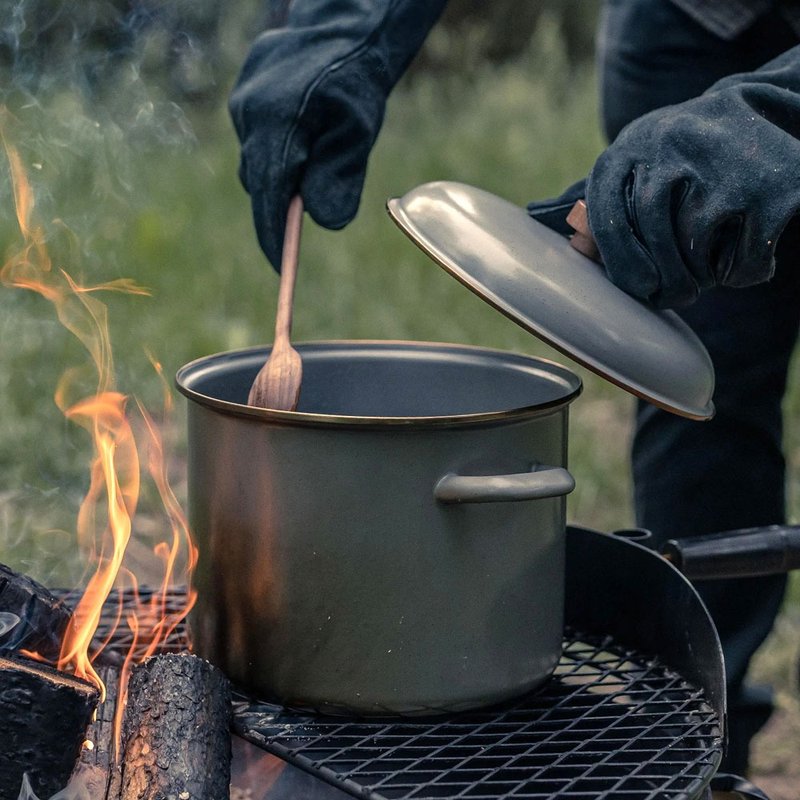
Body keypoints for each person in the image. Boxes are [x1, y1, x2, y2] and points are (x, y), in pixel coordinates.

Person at [229, 0, 800, 774]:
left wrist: (769, 126)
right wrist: (342, 32)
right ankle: (710, 745)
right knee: (709, 385)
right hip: (695, 17)